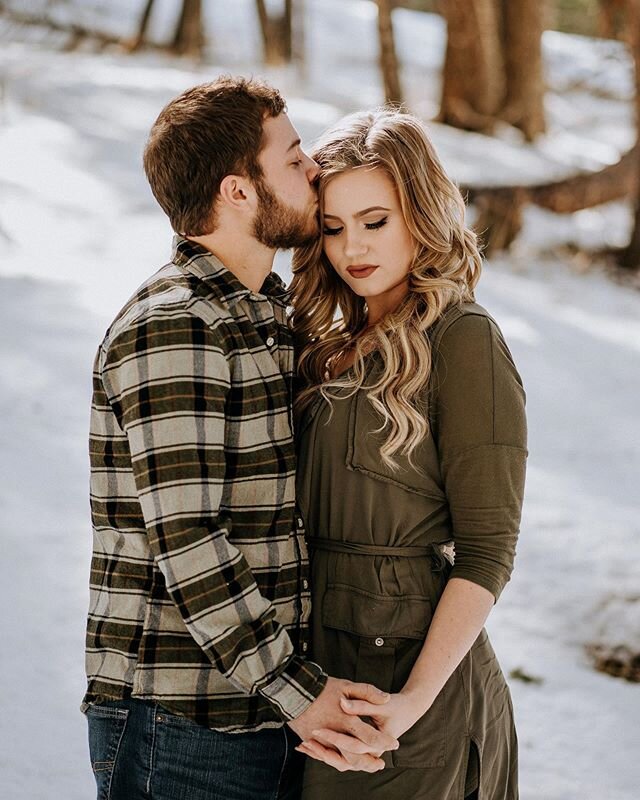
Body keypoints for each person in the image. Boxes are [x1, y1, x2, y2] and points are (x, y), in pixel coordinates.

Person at [82, 78, 398, 800]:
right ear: (238, 191)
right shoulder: (176, 323)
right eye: (292, 160)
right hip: (182, 721)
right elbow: (189, 539)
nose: (314, 170)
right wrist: (302, 694)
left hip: (256, 710)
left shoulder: (259, 317)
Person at [289, 109, 528, 800]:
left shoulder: (464, 339)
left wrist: (412, 703)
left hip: (407, 693)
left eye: (375, 220)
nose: (351, 247)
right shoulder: (326, 345)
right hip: (314, 675)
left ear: (420, 215)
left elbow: (487, 551)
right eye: (332, 226)